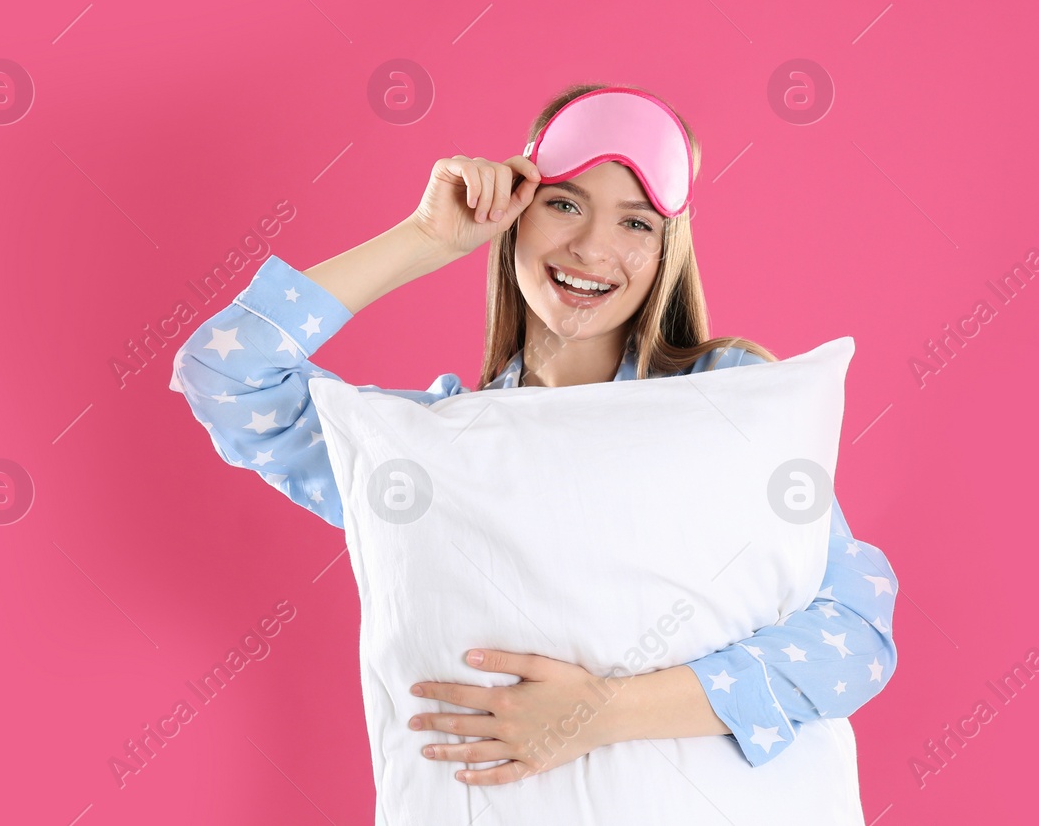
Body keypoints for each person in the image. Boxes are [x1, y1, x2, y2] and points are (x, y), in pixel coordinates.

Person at [170, 82, 899, 786]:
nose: (591, 246)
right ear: (515, 214)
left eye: (636, 222)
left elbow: (854, 632)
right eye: (563, 204)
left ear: (666, 250)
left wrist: (599, 713)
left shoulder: (724, 394)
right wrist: (425, 236)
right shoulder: (436, 454)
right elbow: (228, 375)